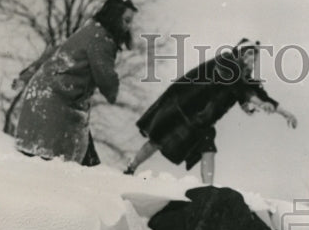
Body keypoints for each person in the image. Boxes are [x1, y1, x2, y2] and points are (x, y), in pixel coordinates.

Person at [125, 39, 297, 182]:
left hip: (202, 120)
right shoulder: (226, 61)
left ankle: (208, 188)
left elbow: (258, 93)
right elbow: (238, 87)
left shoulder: (244, 78)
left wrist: (284, 112)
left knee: (208, 146)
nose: (253, 60)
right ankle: (131, 167)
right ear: (241, 54)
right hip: (183, 108)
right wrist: (256, 102)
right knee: (157, 140)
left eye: (255, 57)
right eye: (250, 54)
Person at [14, 0, 137, 165]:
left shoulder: (91, 29)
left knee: (82, 164)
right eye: (126, 20)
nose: (128, 27)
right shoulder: (101, 39)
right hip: (55, 108)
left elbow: (54, 53)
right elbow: (106, 77)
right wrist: (113, 93)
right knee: (60, 169)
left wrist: (26, 75)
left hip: (46, 99)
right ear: (114, 17)